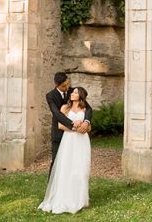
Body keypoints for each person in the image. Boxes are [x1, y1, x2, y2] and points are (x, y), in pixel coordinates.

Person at [39, 86, 92, 214]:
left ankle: (79, 200)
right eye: (72, 92)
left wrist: (84, 126)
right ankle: (64, 198)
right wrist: (74, 127)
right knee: (67, 168)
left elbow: (89, 128)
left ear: (81, 96)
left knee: (81, 169)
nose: (72, 94)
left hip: (82, 141)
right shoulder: (64, 108)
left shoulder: (85, 109)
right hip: (68, 140)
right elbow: (60, 125)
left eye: (75, 92)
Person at [45, 72, 91, 171]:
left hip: (75, 137)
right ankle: (53, 185)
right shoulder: (50, 96)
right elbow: (56, 114)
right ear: (56, 85)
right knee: (56, 162)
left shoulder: (73, 91)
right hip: (59, 132)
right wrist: (72, 124)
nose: (66, 87)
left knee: (74, 162)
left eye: (67, 84)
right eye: (63, 86)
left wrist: (86, 122)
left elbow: (88, 108)